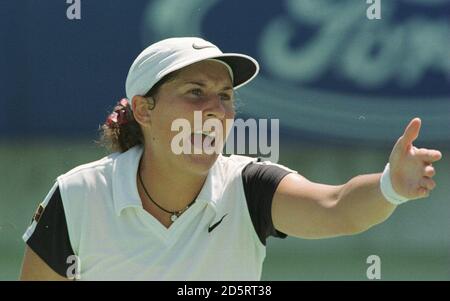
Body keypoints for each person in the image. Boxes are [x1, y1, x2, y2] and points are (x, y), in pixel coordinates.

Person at [20, 37, 442, 281]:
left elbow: (337, 207)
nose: (217, 111)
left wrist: (391, 185)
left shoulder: (250, 185)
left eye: (225, 97)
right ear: (145, 110)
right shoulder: (78, 195)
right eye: (195, 93)